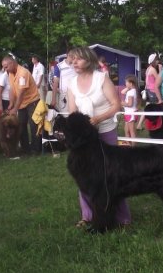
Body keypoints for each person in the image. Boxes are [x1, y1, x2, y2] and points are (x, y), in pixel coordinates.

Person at [67, 46, 131, 228]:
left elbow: (116, 105)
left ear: (88, 59)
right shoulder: (72, 84)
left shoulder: (101, 78)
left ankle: (122, 218)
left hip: (105, 130)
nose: (74, 63)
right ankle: (88, 216)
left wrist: (97, 119)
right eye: (72, 60)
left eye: (78, 59)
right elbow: (73, 112)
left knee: (112, 176)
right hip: (84, 139)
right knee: (84, 175)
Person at [3, 56, 41, 154]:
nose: (4, 69)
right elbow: (12, 89)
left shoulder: (23, 73)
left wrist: (15, 109)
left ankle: (36, 149)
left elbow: (21, 93)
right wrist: (11, 103)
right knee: (20, 125)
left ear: (12, 63)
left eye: (6, 67)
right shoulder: (10, 73)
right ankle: (25, 148)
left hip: (32, 101)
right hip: (22, 103)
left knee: (34, 125)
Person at [50, 51, 76, 115]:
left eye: (74, 56)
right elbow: (55, 83)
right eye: (70, 56)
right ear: (67, 55)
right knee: (64, 115)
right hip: (64, 95)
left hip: (76, 95)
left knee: (75, 116)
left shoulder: (76, 65)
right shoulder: (59, 66)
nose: (72, 58)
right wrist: (53, 99)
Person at [121, 74, 139, 145]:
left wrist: (121, 103)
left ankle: (133, 148)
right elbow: (122, 92)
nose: (125, 84)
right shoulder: (133, 90)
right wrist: (128, 87)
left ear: (131, 83)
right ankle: (128, 144)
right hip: (130, 113)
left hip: (130, 113)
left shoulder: (131, 92)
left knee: (131, 132)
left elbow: (130, 104)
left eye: (126, 82)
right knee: (126, 130)